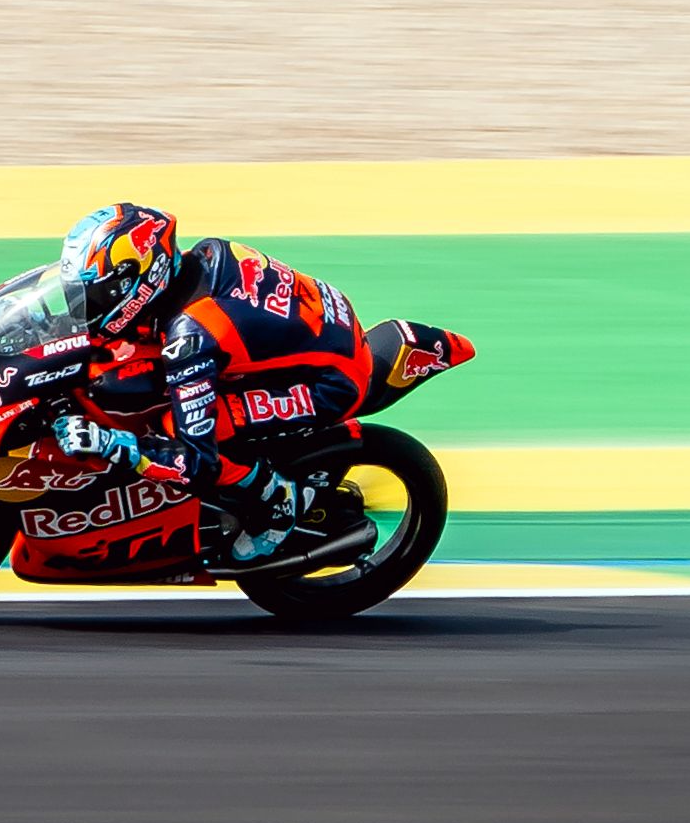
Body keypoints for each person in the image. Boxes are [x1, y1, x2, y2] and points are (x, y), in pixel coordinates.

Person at [33, 200, 465, 574]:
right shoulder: (203, 256)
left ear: (143, 280)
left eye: (99, 293)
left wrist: (114, 444)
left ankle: (275, 502)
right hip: (316, 338)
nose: (88, 304)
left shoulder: (191, 336)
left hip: (328, 382)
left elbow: (196, 464)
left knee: (175, 426)